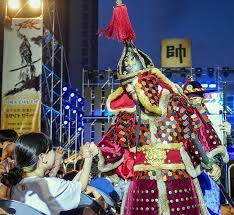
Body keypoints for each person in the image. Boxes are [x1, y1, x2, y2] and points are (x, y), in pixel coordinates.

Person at [97, 1, 229, 214]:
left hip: (179, 184)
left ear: (148, 80)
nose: (129, 90)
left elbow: (199, 131)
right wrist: (95, 151)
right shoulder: (126, 115)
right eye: (125, 85)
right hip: (141, 188)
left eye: (133, 83)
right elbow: (112, 144)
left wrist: (211, 160)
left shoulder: (176, 103)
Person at [8, 132, 97, 215]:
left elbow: (72, 187)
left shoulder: (16, 185)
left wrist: (82, 168)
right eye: (51, 150)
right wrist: (89, 157)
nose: (54, 153)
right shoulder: (50, 185)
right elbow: (81, 187)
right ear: (43, 157)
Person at [183, 77, 231, 215]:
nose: (193, 99)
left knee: (210, 209)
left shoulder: (214, 119)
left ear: (202, 98)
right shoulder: (181, 120)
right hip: (189, 170)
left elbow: (222, 149)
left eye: (196, 97)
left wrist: (229, 135)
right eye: (189, 97)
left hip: (210, 170)